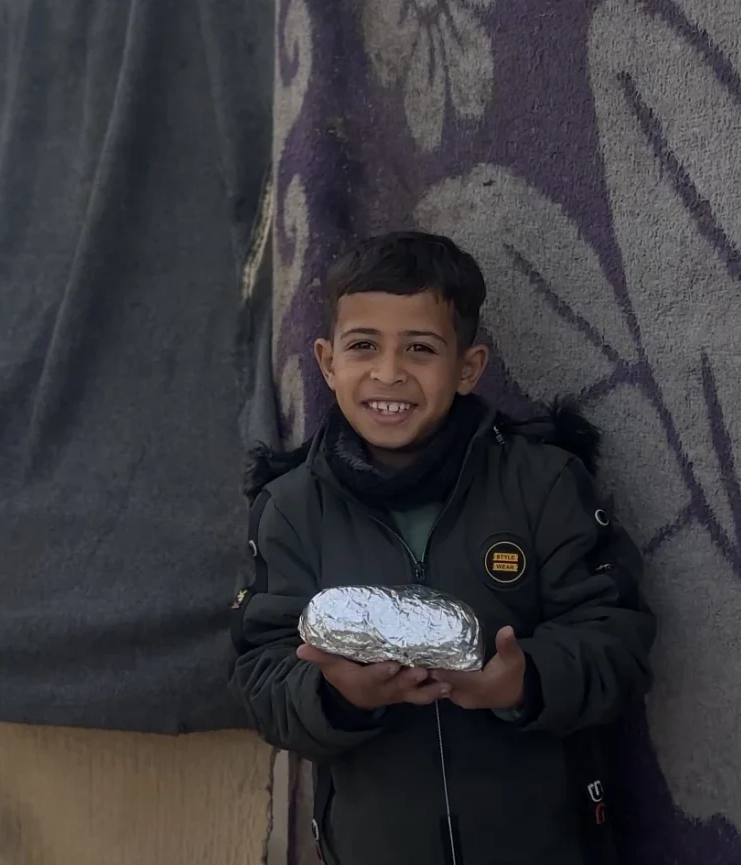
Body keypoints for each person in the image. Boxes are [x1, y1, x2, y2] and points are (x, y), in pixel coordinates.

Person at [229, 231, 656, 865]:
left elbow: (619, 641)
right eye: (363, 346)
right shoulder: (292, 509)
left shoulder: (543, 484)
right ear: (326, 362)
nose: (389, 373)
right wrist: (339, 697)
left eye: (421, 349)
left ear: (468, 367)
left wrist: (526, 682)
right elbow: (258, 677)